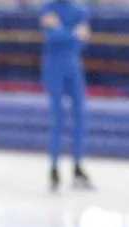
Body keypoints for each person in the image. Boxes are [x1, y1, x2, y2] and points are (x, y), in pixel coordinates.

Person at [39, 0, 94, 191]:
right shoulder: (48, 8)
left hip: (72, 66)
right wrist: (72, 34)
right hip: (55, 67)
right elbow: (52, 37)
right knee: (58, 117)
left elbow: (82, 39)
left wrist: (64, 33)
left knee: (80, 116)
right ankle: (54, 168)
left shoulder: (80, 10)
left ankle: (77, 166)